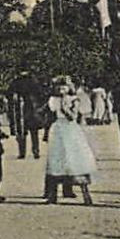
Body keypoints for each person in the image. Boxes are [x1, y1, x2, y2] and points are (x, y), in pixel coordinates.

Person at [44, 76, 96, 204]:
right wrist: (46, 131)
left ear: (69, 88)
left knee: (73, 156)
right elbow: (49, 116)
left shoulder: (74, 100)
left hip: (70, 129)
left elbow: (73, 117)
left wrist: (64, 108)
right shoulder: (53, 100)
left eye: (64, 86)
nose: (61, 89)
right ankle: (52, 194)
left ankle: (82, 191)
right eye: (59, 87)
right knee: (57, 157)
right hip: (57, 130)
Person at [12, 71, 43, 160]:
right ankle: (30, 152)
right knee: (26, 132)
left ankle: (31, 152)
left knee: (29, 132)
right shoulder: (31, 80)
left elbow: (38, 93)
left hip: (29, 108)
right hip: (25, 108)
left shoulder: (30, 80)